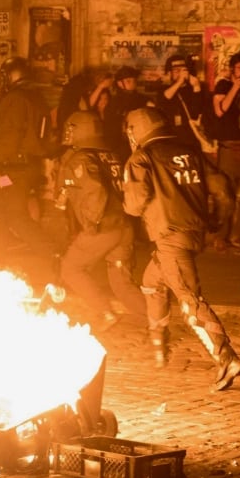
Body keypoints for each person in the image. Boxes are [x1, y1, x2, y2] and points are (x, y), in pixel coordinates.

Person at [122, 106, 240, 392]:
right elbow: (224, 189)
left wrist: (127, 195)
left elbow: (135, 204)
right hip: (193, 233)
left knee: (189, 299)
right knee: (151, 282)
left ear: (134, 131)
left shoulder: (141, 158)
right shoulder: (188, 151)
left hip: (169, 237)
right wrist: (217, 221)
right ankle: (159, 346)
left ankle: (226, 356)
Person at [55, 110, 147, 332]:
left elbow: (95, 191)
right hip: (124, 226)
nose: (68, 133)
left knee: (70, 268)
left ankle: (105, 313)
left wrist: (91, 223)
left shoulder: (81, 158)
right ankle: (155, 321)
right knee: (122, 284)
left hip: (104, 227)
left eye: (72, 128)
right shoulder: (110, 154)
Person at [0, 56, 57, 285]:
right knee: (2, 212)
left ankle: (51, 252)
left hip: (12, 170)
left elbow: (8, 135)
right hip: (27, 167)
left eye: (5, 75)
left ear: (12, 75)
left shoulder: (15, 98)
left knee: (15, 215)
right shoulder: (36, 97)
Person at [210, 51, 240, 253]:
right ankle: (220, 235)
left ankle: (238, 233)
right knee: (225, 193)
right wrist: (234, 88)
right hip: (228, 146)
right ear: (232, 70)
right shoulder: (222, 86)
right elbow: (220, 110)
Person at [154, 54, 212, 157]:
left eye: (183, 70)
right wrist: (180, 82)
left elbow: (197, 112)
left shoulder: (195, 88)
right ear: (169, 73)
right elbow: (163, 100)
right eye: (177, 71)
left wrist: (196, 88)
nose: (181, 74)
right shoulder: (164, 89)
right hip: (171, 140)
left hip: (191, 140)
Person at [103, 65, 150, 162]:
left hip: (141, 143)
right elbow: (109, 127)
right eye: (128, 81)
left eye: (134, 81)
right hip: (120, 145)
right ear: (120, 83)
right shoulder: (113, 104)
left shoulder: (143, 100)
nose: (132, 84)